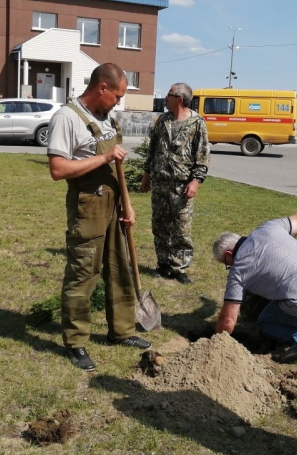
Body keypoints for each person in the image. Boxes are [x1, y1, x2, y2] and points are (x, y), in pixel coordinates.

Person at [47, 63, 151, 371]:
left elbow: (116, 169)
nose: (119, 102)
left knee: (120, 269)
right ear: (102, 88)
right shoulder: (67, 118)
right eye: (117, 96)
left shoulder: (110, 118)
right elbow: (58, 170)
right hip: (88, 205)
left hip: (114, 203)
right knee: (83, 274)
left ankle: (122, 331)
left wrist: (127, 206)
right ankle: (76, 342)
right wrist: (104, 156)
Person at [212, 177, 297, 363]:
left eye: (227, 263)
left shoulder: (238, 271)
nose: (229, 268)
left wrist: (216, 343)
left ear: (228, 254)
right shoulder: (270, 227)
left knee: (265, 322)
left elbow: (228, 321)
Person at [140, 83, 210, 284]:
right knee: (160, 225)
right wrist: (146, 174)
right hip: (160, 182)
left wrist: (195, 181)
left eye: (169, 94)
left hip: (182, 185)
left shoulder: (197, 123)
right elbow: (152, 149)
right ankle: (163, 264)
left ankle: (179, 267)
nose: (165, 97)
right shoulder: (163, 120)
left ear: (179, 98)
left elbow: (202, 155)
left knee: (182, 228)